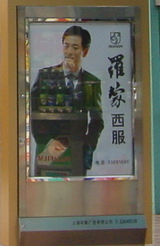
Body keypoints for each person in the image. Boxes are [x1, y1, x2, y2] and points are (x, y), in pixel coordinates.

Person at [29, 24, 104, 175]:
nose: (69, 52)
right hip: (48, 149)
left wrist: (86, 148)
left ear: (85, 51)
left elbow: (97, 120)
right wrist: (46, 143)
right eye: (66, 46)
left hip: (76, 149)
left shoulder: (91, 81)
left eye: (75, 48)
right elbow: (34, 112)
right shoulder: (46, 75)